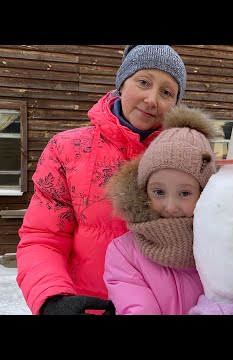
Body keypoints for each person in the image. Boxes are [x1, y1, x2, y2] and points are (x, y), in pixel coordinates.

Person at [16, 45, 187, 315]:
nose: (152, 99)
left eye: (167, 92)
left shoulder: (186, 159)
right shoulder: (66, 150)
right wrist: (52, 298)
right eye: (143, 82)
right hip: (86, 307)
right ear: (122, 83)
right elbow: (44, 237)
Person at [103, 104, 217, 315]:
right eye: (159, 192)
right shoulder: (125, 252)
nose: (171, 207)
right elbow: (138, 308)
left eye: (185, 193)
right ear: (144, 191)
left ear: (204, 193)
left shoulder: (219, 246)